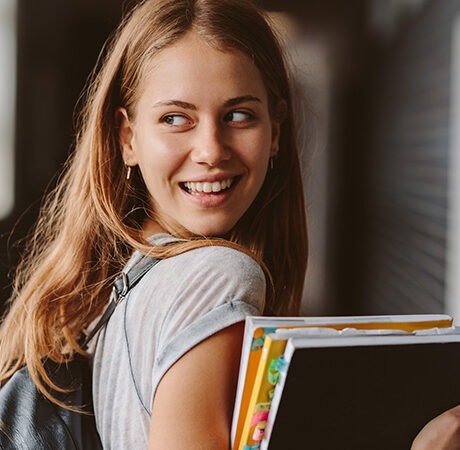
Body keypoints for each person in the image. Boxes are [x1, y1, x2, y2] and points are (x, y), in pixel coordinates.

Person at [0, 0, 458, 448]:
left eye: (238, 115)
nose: (210, 150)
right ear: (128, 138)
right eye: (175, 118)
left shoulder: (112, 276)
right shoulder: (215, 275)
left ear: (275, 131)